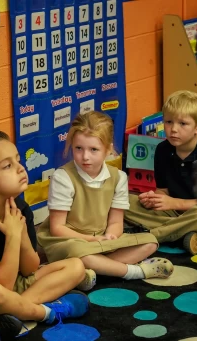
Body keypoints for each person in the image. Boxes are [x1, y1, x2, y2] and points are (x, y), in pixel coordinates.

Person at [0, 130, 90, 335]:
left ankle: (15, 312)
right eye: (7, 166)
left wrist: (20, 235)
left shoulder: (20, 207)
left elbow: (30, 268)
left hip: (19, 284)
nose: (21, 169)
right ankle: (44, 312)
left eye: (18, 160)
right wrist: (12, 235)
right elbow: (2, 284)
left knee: (76, 266)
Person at [37, 111, 173, 290]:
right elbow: (57, 228)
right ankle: (134, 271)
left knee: (150, 242)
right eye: (78, 148)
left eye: (93, 149)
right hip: (67, 241)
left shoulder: (118, 177)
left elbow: (116, 222)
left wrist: (111, 236)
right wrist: (91, 241)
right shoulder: (63, 177)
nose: (85, 156)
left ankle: (89, 271)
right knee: (80, 253)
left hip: (100, 240)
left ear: (108, 150)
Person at [125, 90, 197, 255]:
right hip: (175, 213)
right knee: (125, 201)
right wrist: (154, 199)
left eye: (182, 124)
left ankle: (150, 236)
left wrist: (175, 203)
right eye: (169, 122)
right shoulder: (162, 150)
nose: (173, 129)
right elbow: (163, 189)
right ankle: (185, 234)